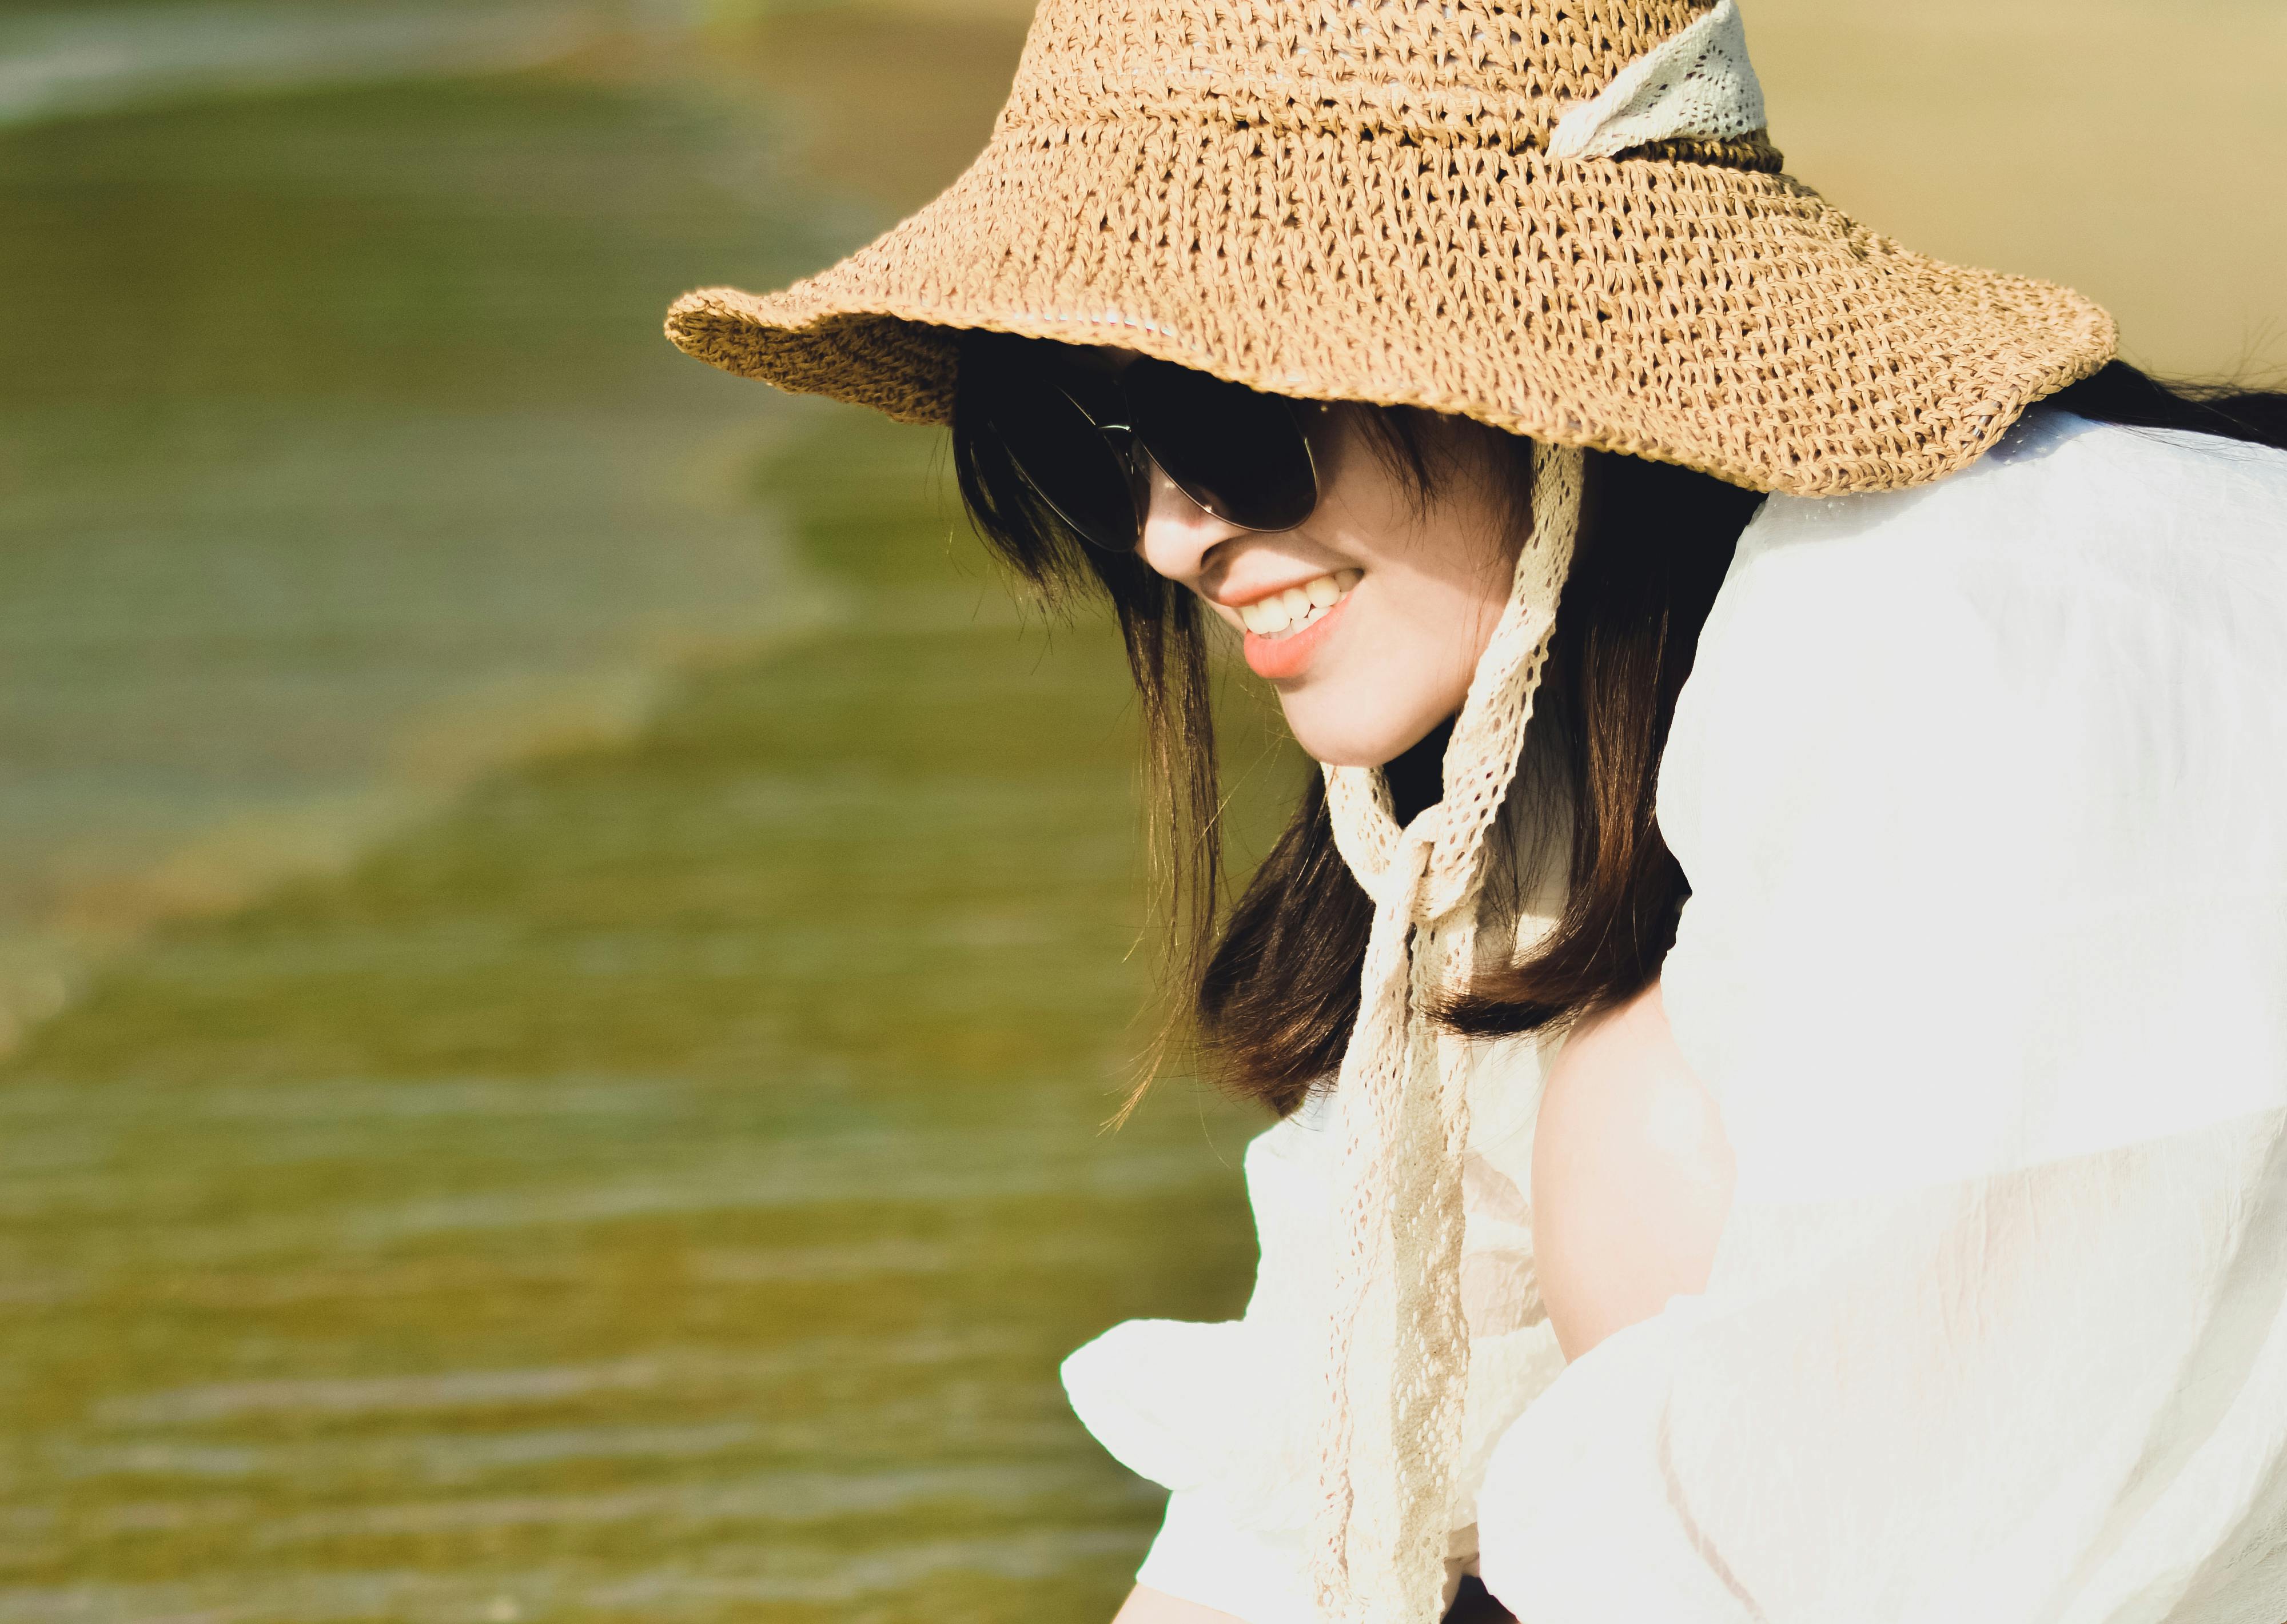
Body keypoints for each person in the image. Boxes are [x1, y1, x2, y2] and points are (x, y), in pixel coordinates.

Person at [664, 1, 2287, 1619]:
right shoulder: (1568, 742)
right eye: (1104, 434)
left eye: (1231, 414)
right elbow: (1316, 1469)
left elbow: (1846, 1521)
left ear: (1531, 357)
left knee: (1643, 1138)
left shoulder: (1958, 639)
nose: (1169, 532)